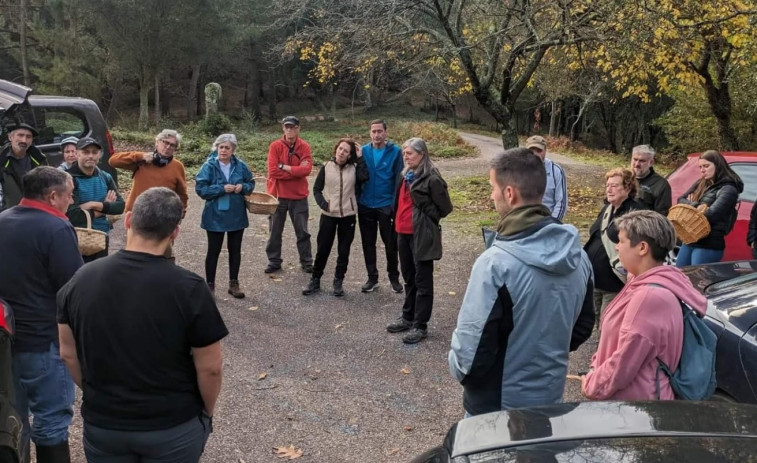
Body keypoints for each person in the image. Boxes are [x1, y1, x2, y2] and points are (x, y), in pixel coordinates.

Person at [57, 187, 227, 463]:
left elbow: (67, 352)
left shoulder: (81, 279)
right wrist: (206, 414)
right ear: (175, 232)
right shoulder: (190, 289)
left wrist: (94, 392)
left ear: (127, 220)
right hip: (172, 428)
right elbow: (211, 368)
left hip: (104, 424)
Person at [448, 148, 594, 417]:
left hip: (495, 409)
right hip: (549, 398)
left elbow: (469, 359)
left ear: (509, 193)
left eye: (493, 188)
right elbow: (582, 326)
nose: (491, 195)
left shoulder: (495, 263)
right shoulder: (580, 258)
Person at [0, 166, 83, 462]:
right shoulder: (56, 228)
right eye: (69, 196)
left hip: (5, 342)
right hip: (44, 343)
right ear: (52, 196)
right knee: (51, 424)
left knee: (12, 422)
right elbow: (73, 289)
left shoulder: (3, 219)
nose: (70, 202)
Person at [582, 210, 707, 400]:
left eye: (621, 241)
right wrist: (594, 366)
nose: (616, 247)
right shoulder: (640, 281)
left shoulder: (648, 297)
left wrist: (593, 384)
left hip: (636, 408)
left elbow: (624, 362)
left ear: (642, 248)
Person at [385, 138, 453, 344]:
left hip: (421, 235)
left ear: (422, 154)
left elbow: (445, 208)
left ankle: (420, 325)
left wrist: (427, 213)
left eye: (410, 154)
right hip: (402, 233)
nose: (405, 157)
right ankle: (408, 316)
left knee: (423, 280)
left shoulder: (431, 177)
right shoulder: (405, 175)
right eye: (404, 154)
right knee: (409, 278)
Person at [109, 129, 188, 261]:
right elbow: (113, 161)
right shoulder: (142, 161)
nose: (167, 147)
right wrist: (140, 156)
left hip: (164, 217)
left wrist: (179, 216)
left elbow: (182, 195)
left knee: (164, 256)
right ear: (157, 142)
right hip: (138, 214)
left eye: (172, 145)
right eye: (165, 142)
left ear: (175, 149)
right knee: (135, 255)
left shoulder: (177, 167)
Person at [303, 138, 369, 297]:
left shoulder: (354, 168)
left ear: (349, 155)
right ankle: (315, 280)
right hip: (329, 215)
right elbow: (317, 189)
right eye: (340, 148)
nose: (342, 152)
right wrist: (324, 205)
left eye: (346, 151)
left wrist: (360, 159)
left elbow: (364, 177)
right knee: (323, 248)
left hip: (348, 215)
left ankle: (338, 281)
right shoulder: (326, 167)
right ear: (336, 149)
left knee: (344, 250)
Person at [195, 133, 254, 299]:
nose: (223, 150)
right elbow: (201, 190)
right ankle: (210, 285)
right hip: (214, 215)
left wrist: (242, 187)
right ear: (216, 148)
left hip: (236, 215)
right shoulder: (208, 166)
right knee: (213, 250)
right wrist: (221, 189)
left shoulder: (241, 166)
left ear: (233, 149)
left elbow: (251, 184)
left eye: (227, 147)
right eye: (220, 147)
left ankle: (234, 284)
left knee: (235, 250)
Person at [584, 168, 645, 323]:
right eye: (607, 185)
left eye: (615, 185)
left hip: (615, 282)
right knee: (594, 322)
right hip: (595, 279)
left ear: (627, 187)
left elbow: (637, 248)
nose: (609, 189)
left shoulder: (635, 213)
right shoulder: (607, 209)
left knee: (609, 325)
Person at [357, 120, 404, 293]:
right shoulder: (363, 151)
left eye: (380, 131)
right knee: (368, 243)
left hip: (386, 205)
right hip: (366, 204)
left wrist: (394, 204)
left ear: (386, 132)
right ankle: (372, 278)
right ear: (370, 133)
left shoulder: (395, 152)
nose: (377, 135)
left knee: (391, 244)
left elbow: (399, 180)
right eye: (374, 131)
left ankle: (394, 277)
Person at [676, 150, 743, 267]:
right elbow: (680, 199)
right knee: (680, 277)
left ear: (718, 165)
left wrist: (691, 205)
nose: (702, 170)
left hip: (709, 244)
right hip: (690, 239)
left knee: (698, 281)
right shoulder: (702, 183)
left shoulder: (728, 189)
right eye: (700, 167)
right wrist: (697, 205)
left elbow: (712, 214)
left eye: (706, 166)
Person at [264, 116, 314, 274]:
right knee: (274, 231)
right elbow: (272, 171)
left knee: (302, 232)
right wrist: (295, 172)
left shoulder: (304, 147)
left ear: (298, 128)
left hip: (298, 196)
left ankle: (306, 261)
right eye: (287, 127)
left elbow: (306, 170)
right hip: (277, 196)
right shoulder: (275, 146)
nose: (290, 130)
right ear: (283, 129)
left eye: (293, 127)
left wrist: (285, 167)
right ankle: (274, 261)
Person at [66, 137, 125, 262]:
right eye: (86, 152)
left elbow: (120, 206)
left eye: (94, 152)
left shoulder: (105, 177)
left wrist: (93, 204)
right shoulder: (68, 179)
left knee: (98, 277)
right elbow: (73, 215)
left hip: (101, 237)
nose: (91, 156)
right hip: (75, 237)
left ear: (99, 155)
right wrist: (106, 207)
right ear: (77, 154)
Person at [0, 122, 48, 211]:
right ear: (10, 137)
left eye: (28, 137)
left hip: (36, 211)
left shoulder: (39, 159)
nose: (24, 140)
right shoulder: (2, 160)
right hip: (10, 214)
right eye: (20, 135)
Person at [525, 135, 567, 221]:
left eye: (539, 150)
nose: (535, 154)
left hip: (548, 221)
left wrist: (552, 225)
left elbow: (561, 203)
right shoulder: (520, 169)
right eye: (531, 151)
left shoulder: (556, 171)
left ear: (545, 150)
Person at [631, 144, 671, 215]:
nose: (637, 164)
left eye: (642, 161)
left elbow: (662, 216)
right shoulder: (624, 178)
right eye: (635, 159)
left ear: (651, 162)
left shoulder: (661, 185)